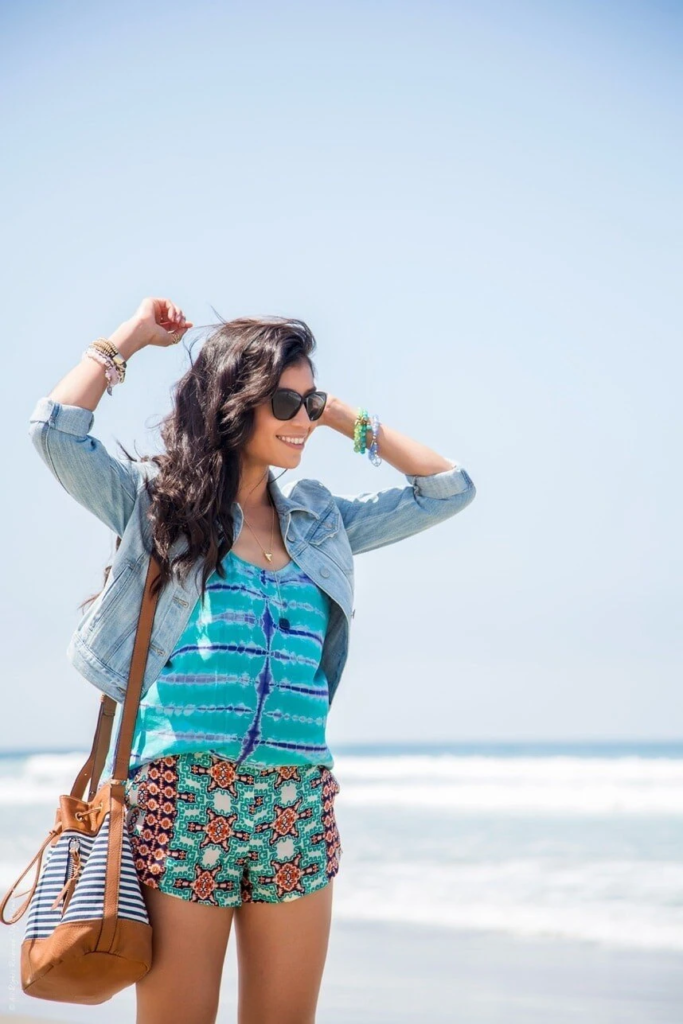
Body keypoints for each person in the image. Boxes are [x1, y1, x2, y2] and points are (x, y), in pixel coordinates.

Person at [28, 296, 477, 1024]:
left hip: (298, 804)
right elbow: (55, 434)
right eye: (286, 401)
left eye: (310, 399)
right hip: (185, 799)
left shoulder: (320, 520)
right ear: (234, 404)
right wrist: (129, 340)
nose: (301, 418)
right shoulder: (160, 507)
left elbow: (446, 490)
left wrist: (341, 417)